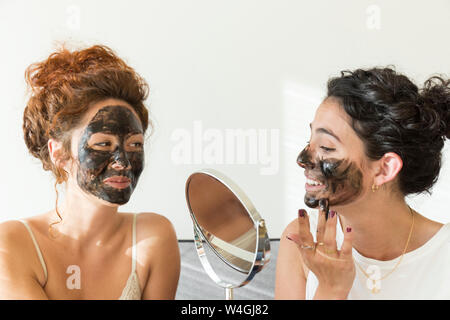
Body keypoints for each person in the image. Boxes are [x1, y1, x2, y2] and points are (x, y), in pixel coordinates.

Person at [0, 45, 180, 299]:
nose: (123, 162)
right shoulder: (13, 244)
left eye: (135, 145)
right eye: (103, 144)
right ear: (59, 153)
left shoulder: (153, 237)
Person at [275, 67, 450, 299]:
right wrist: (330, 289)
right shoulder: (302, 241)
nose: (302, 159)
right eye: (310, 141)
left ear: (384, 168)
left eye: (326, 147)